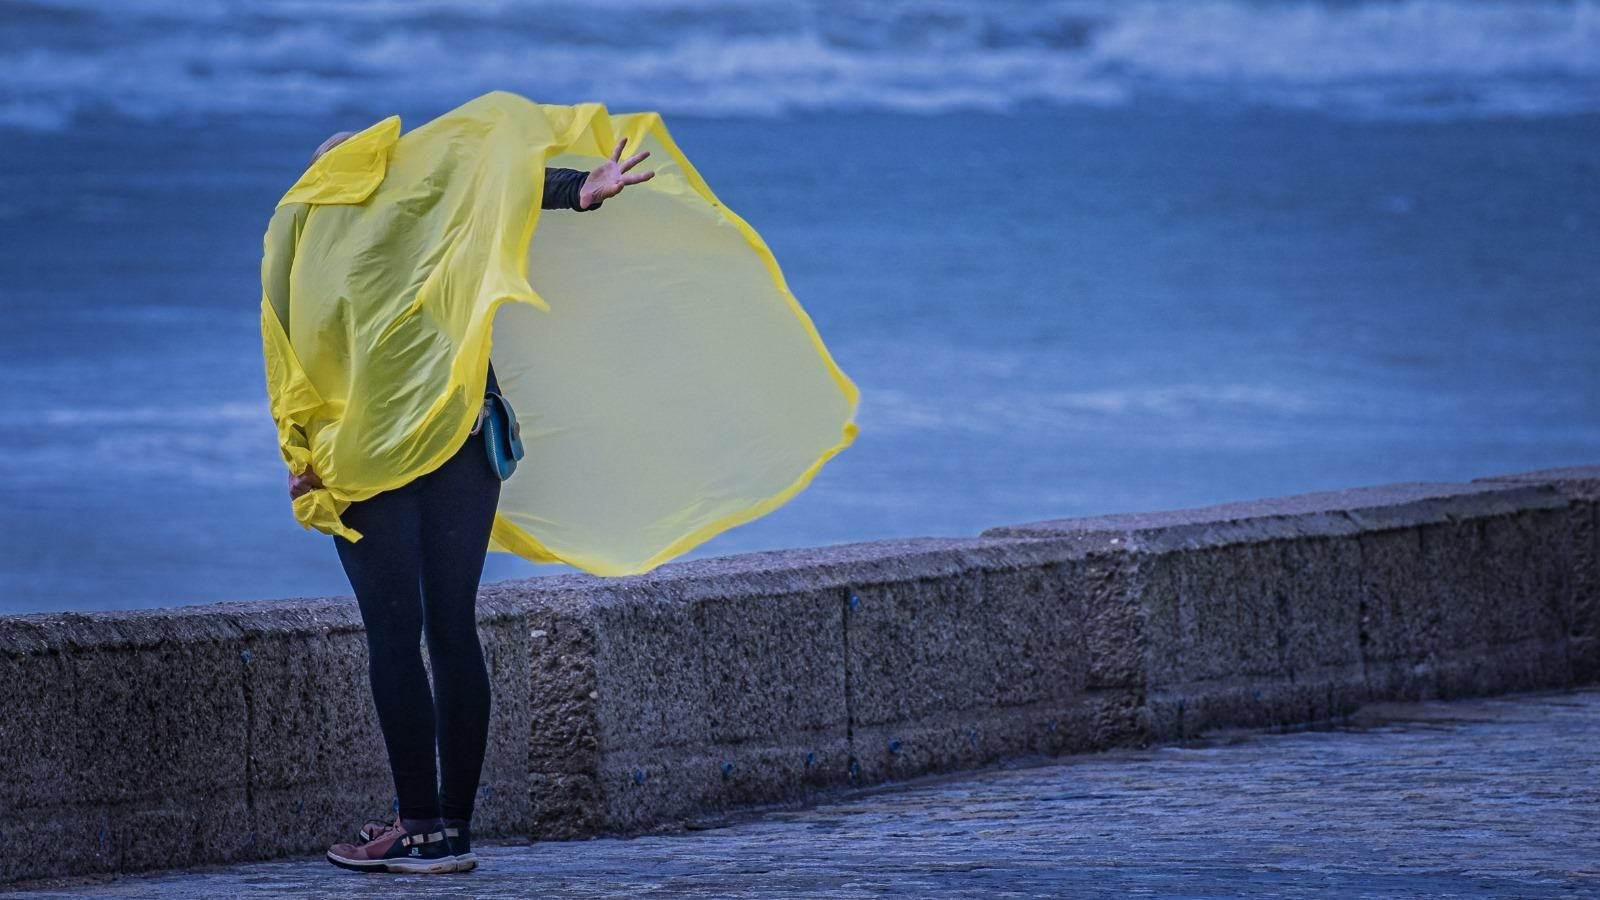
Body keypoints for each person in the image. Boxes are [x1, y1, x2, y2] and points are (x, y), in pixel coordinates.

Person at [268, 128, 654, 874]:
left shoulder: (319, 261)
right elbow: (499, 184)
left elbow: (297, 363)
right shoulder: (438, 224)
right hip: (467, 442)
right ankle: (449, 831)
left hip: (373, 458)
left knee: (394, 633)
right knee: (451, 629)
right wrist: (581, 187)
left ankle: (415, 831)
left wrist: (302, 458)